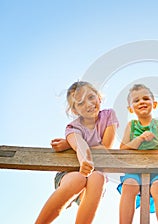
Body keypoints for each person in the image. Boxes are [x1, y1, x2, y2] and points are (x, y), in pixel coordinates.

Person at [35, 81, 119, 224]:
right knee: (77, 179)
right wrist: (84, 159)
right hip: (69, 173)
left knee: (97, 177)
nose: (88, 104)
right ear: (75, 111)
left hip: (94, 177)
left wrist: (68, 145)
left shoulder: (109, 116)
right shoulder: (72, 127)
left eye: (91, 97)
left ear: (99, 97)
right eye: (80, 103)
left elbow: (106, 147)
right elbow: (79, 143)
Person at [117, 84, 158, 224]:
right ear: (131, 108)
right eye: (136, 101)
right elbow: (123, 148)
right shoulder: (132, 125)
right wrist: (140, 138)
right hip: (134, 169)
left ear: (154, 104)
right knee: (129, 185)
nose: (141, 102)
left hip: (157, 168)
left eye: (145, 98)